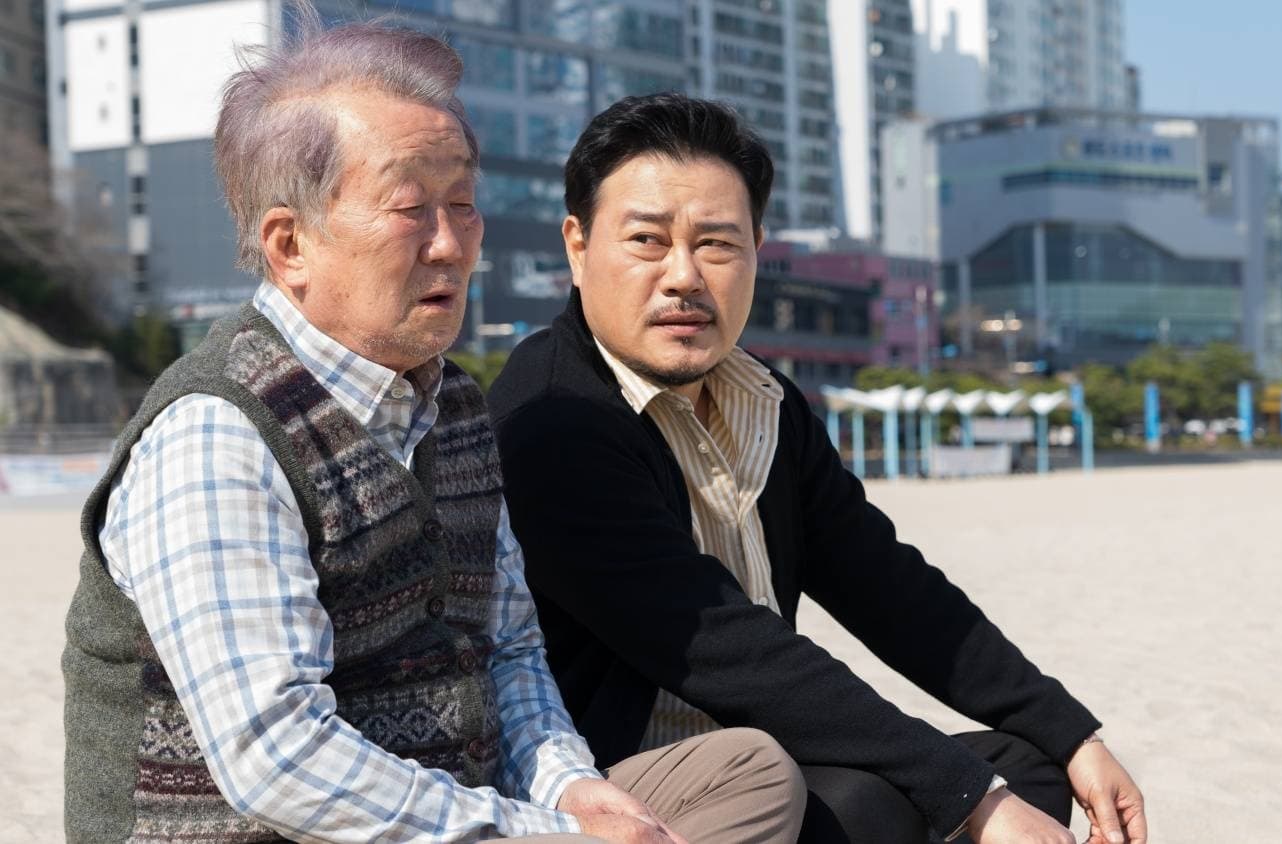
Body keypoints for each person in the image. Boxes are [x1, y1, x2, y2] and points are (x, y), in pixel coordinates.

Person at [61, 20, 804, 844]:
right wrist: (551, 839)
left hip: (463, 813)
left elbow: (510, 649)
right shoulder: (218, 435)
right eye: (411, 209)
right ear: (290, 243)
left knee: (751, 773)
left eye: (463, 204)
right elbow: (278, 759)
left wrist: (572, 790)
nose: (451, 244)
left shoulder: (450, 405)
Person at [486, 93, 1148, 844]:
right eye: (647, 240)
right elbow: (728, 650)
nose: (683, 277)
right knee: (890, 804)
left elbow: (888, 586)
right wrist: (971, 798)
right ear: (577, 247)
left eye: (717, 244)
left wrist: (1070, 733)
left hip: (772, 753)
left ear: (757, 249)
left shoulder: (762, 399)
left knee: (1026, 764)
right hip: (626, 786)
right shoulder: (555, 420)